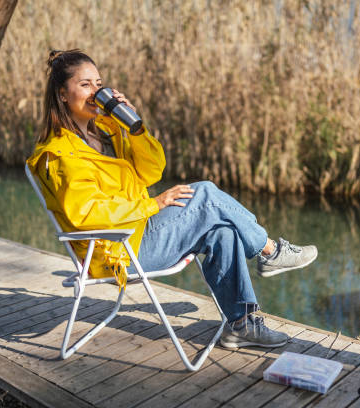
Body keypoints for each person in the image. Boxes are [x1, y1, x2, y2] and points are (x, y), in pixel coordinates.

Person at [26, 49, 318, 348]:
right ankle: (269, 251)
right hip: (119, 250)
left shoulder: (107, 131)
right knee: (205, 194)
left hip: (140, 230)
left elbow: (152, 171)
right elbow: (85, 213)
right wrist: (154, 204)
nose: (95, 92)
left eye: (99, 83)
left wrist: (135, 127)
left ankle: (242, 325)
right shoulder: (59, 153)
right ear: (63, 94)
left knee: (223, 231)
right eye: (85, 84)